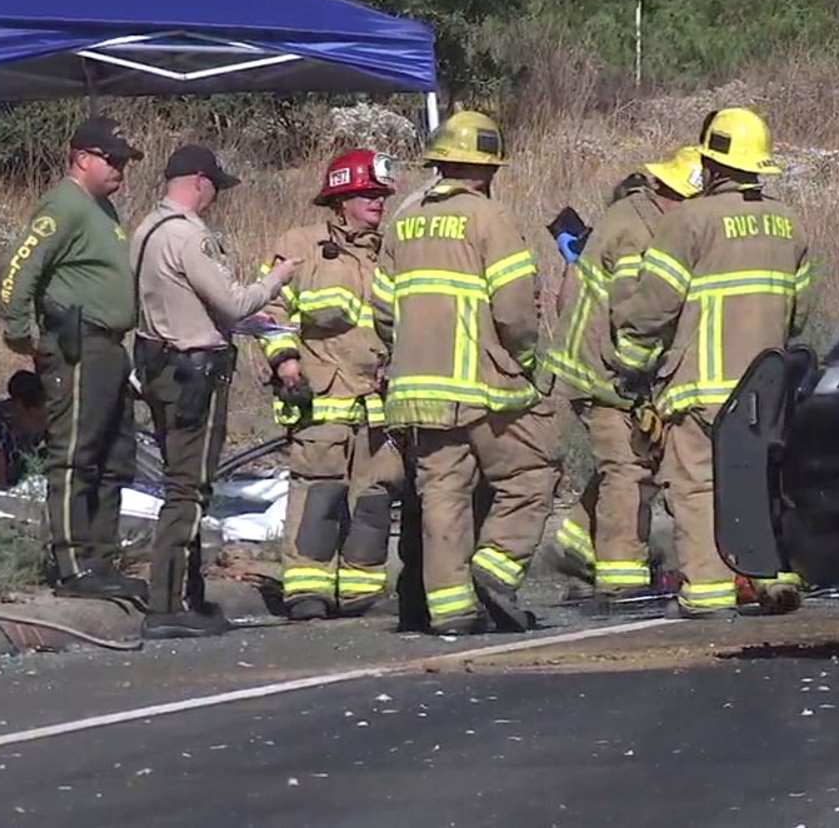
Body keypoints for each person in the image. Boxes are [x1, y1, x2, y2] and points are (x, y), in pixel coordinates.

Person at [609, 107, 816, 619]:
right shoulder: (789, 223)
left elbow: (655, 306)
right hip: (765, 389)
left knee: (698, 486)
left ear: (710, 162)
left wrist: (629, 359)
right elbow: (799, 314)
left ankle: (707, 592)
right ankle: (770, 580)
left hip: (700, 388)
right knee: (759, 482)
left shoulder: (688, 221)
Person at [369, 110, 563, 636]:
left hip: (416, 390)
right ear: (484, 170)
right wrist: (523, 361)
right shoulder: (489, 218)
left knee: (442, 494)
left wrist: (409, 355)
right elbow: (516, 309)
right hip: (480, 384)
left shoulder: (403, 222)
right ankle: (493, 568)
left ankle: (452, 611)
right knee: (530, 473)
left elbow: (383, 309)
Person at [131, 144, 302, 639]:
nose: (215, 200)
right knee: (188, 488)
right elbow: (231, 300)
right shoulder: (189, 236)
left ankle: (189, 595)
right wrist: (277, 277)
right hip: (194, 373)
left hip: (163, 364)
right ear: (199, 182)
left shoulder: (146, 230)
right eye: (214, 189)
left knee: (181, 481)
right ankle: (168, 602)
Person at [539, 146, 704, 603]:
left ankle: (575, 543)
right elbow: (634, 313)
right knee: (628, 469)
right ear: (671, 192)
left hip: (610, 366)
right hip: (602, 370)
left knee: (635, 462)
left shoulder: (648, 218)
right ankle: (621, 577)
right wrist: (635, 378)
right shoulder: (636, 230)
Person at [0, 115, 146, 604]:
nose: (121, 169)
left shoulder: (102, 209)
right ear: (82, 158)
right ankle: (72, 563)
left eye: (124, 162)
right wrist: (21, 333)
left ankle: (101, 557)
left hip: (110, 348)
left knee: (112, 456)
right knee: (76, 455)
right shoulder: (64, 205)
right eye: (112, 160)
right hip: (78, 346)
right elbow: (21, 266)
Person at [255, 149, 407, 622]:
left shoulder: (392, 252)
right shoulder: (300, 246)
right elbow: (270, 313)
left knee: (375, 495)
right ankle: (306, 590)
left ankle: (360, 589)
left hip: (377, 399)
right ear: (340, 199)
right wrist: (285, 364)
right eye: (366, 194)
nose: (376, 202)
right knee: (320, 491)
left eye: (380, 195)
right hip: (321, 394)